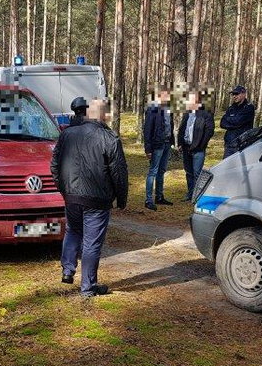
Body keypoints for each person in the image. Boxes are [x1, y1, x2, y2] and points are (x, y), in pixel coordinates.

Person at [51, 98, 128, 297]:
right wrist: (121, 199)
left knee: (73, 231)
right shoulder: (109, 138)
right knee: (91, 242)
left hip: (72, 196)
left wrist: (64, 189)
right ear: (104, 115)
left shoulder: (67, 134)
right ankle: (88, 286)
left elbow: (55, 165)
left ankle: (67, 271)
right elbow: (119, 172)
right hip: (96, 199)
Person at [177, 89, 214, 201]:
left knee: (197, 173)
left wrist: (201, 145)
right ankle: (190, 194)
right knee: (188, 172)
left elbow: (209, 131)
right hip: (186, 147)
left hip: (198, 149)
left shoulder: (206, 113)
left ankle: (197, 197)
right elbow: (182, 128)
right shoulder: (187, 113)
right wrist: (179, 143)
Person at [142, 87, 174, 211]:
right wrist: (148, 149)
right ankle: (148, 200)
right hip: (156, 145)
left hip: (166, 144)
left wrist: (172, 142)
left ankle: (159, 197)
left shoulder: (168, 109)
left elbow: (169, 127)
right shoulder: (152, 109)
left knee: (162, 171)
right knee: (153, 172)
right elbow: (147, 130)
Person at [220, 85, 255, 158]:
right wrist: (234, 123)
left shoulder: (249, 108)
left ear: (244, 94)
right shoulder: (231, 108)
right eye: (233, 94)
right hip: (229, 144)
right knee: (226, 167)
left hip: (241, 144)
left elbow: (238, 121)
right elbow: (222, 123)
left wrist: (229, 120)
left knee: (239, 168)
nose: (234, 96)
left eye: (237, 94)